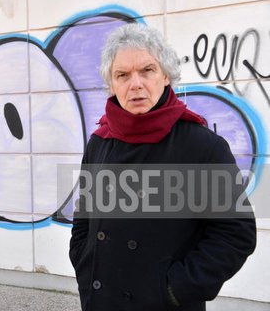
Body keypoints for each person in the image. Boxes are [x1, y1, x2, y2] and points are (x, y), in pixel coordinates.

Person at [69, 23, 256, 311]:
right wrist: (83, 262)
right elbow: (85, 217)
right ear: (111, 84)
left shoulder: (202, 146)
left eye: (147, 70)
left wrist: (174, 289)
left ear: (166, 75)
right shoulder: (100, 141)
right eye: (123, 75)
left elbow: (235, 234)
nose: (135, 84)